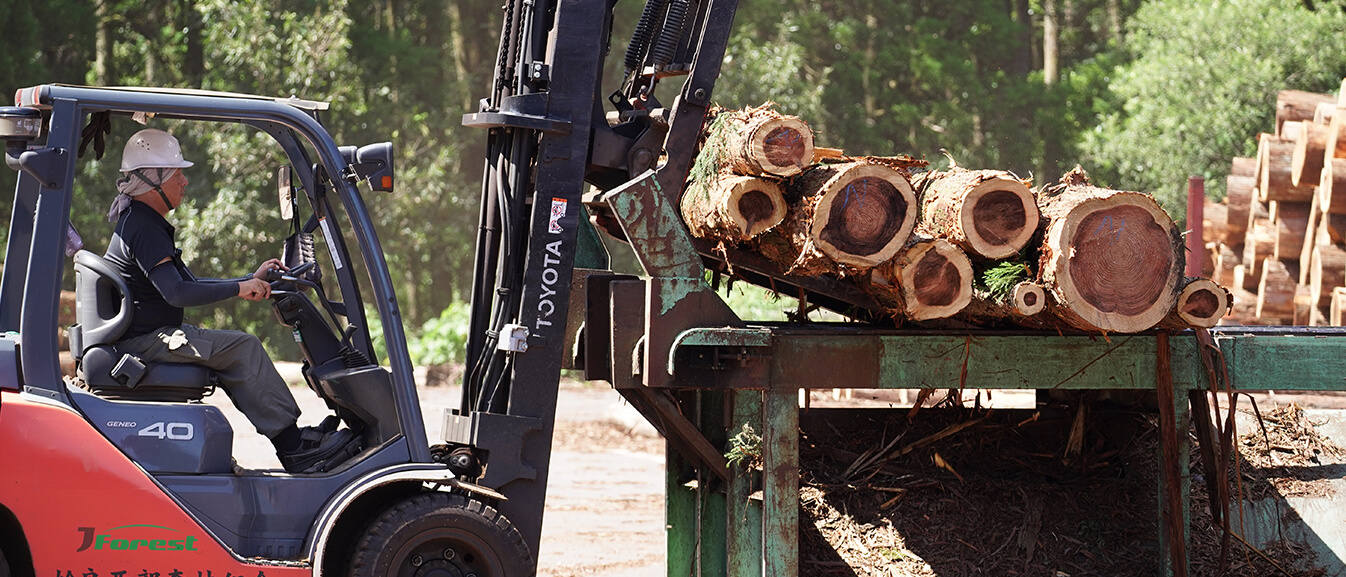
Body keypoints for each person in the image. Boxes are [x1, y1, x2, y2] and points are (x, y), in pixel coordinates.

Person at [103, 128, 359, 474]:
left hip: (148, 336)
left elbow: (188, 283)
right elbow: (178, 293)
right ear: (155, 179)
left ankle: (295, 439)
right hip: (145, 343)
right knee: (243, 348)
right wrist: (241, 289)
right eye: (178, 173)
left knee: (237, 347)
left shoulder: (142, 222)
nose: (185, 181)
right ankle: (293, 447)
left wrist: (247, 280)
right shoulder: (144, 227)